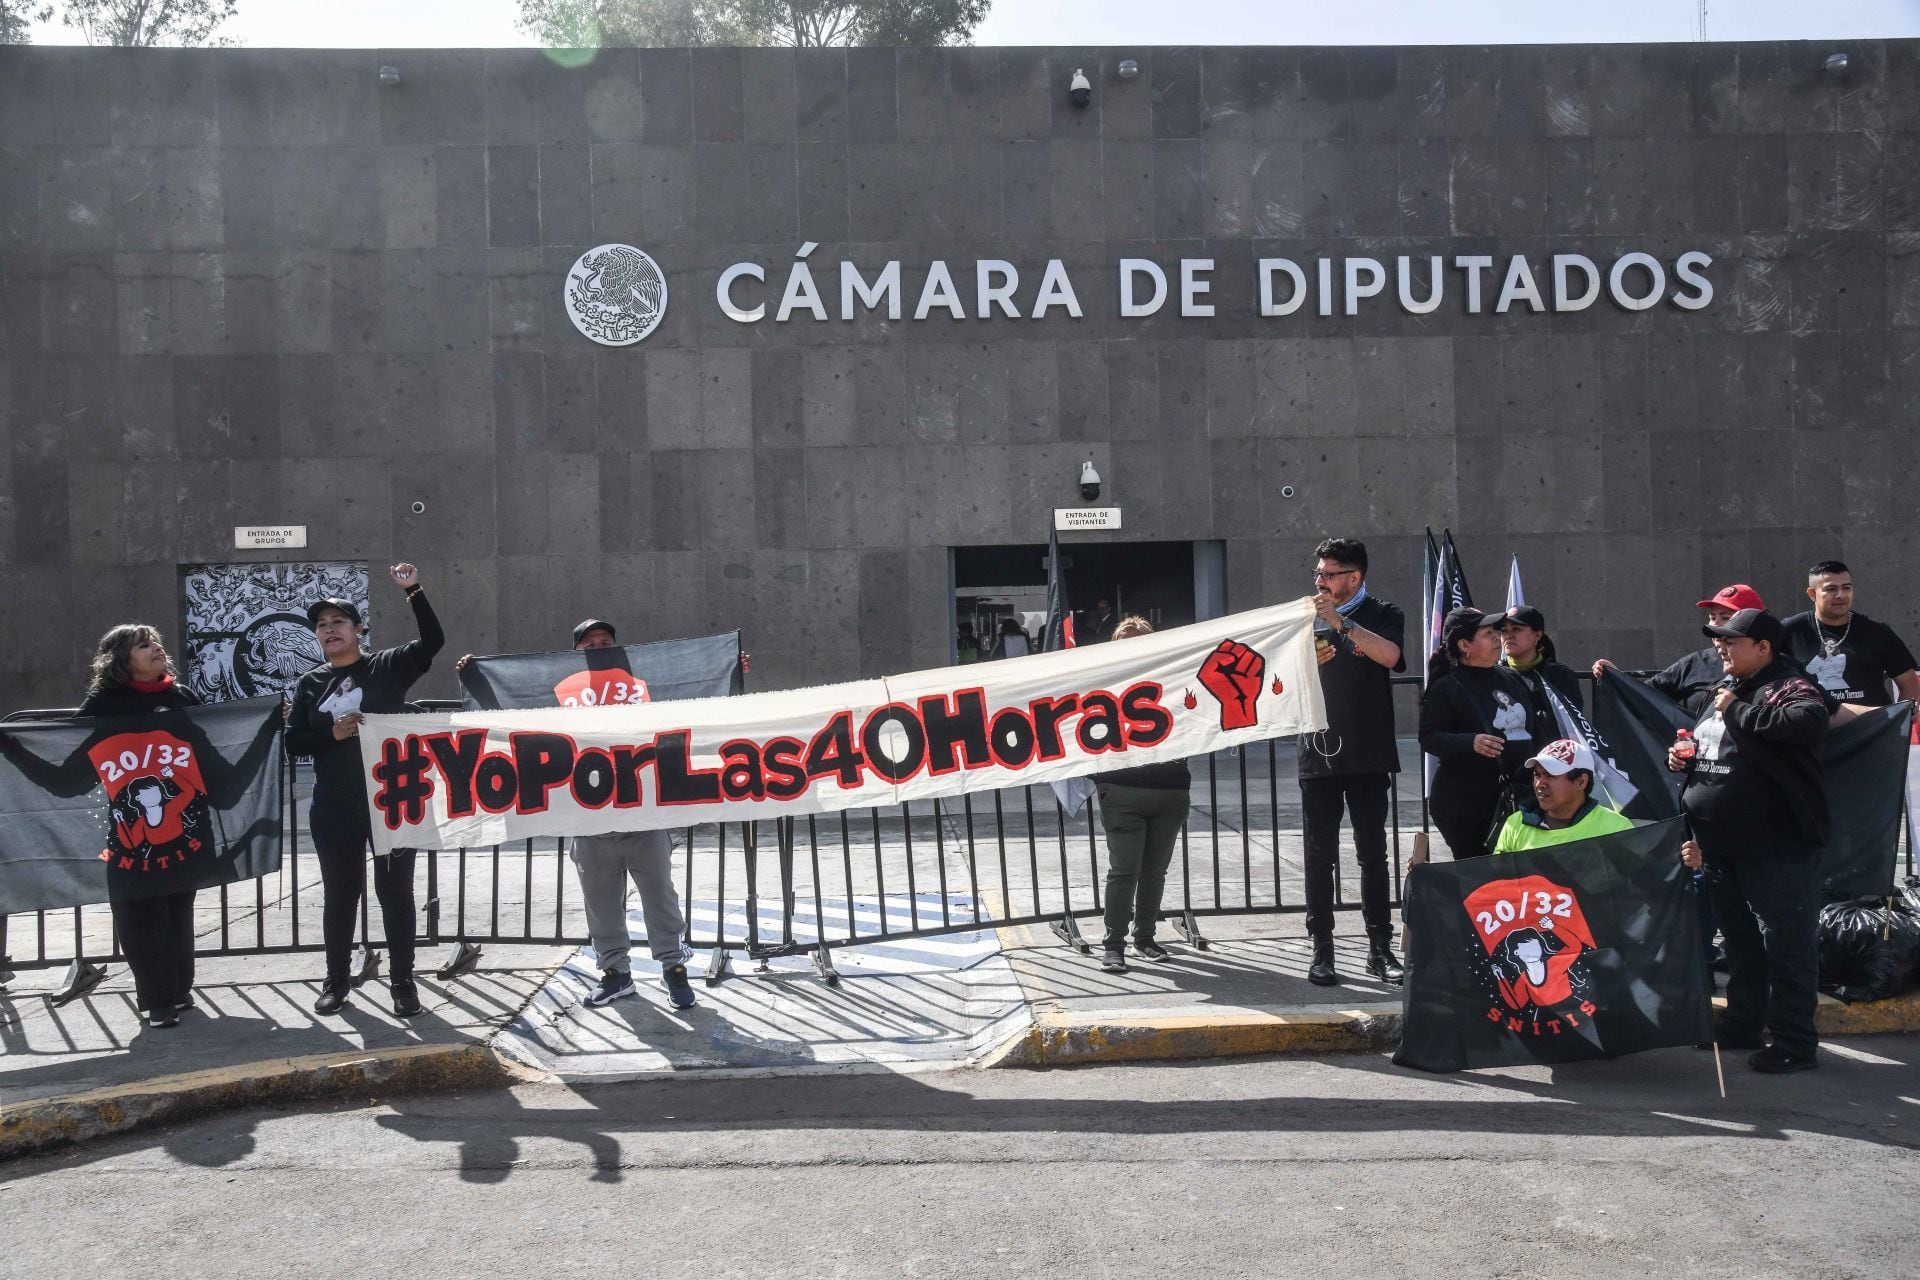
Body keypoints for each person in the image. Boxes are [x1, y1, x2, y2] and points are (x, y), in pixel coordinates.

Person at [1670, 608, 1829, 1074]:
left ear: (1763, 648)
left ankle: (1796, 1043)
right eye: (1719, 639)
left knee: (1787, 945)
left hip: (1777, 847)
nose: (1720, 646)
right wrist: (1682, 759)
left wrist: (1735, 709)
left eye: (1731, 640)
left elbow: (1809, 723)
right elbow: (1712, 748)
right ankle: (1742, 1025)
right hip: (1721, 846)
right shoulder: (1726, 689)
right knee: (1740, 944)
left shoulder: (1789, 685)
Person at [284, 564, 443, 1018]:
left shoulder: (386, 667)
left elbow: (432, 641)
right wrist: (330, 736)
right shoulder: (310, 683)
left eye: (338, 622)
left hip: (392, 802)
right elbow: (293, 741)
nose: (329, 630)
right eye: (321, 625)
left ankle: (403, 983)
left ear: (358, 630)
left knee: (395, 893)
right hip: (334, 807)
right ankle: (336, 983)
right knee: (340, 893)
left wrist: (413, 589)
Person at [558, 618, 696, 1011]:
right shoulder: (561, 691)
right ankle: (616, 974)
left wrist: (729, 668)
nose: (599, 647)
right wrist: (477, 677)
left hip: (641, 815)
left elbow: (698, 695)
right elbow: (510, 708)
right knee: (601, 904)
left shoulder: (641, 686)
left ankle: (674, 970)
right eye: (589, 644)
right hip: (588, 818)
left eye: (606, 641)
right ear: (575, 654)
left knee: (660, 898)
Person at [1298, 537, 1406, 987]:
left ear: (1354, 576)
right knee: (1319, 856)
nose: (1320, 582)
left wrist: (1342, 626)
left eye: (1328, 574)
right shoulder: (1303, 616)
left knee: (1372, 854)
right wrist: (1309, 657)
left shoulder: (1384, 613)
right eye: (1318, 573)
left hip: (1368, 749)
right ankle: (1322, 950)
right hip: (1319, 749)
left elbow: (1392, 657)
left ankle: (1379, 949)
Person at [1093, 616, 1191, 973]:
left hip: (1170, 789)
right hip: (1121, 790)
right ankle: (1113, 944)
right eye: (1123, 641)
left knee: (1155, 872)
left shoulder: (1174, 679)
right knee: (1124, 870)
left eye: (1138, 640)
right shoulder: (1103, 682)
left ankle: (1145, 938)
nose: (1130, 647)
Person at [1419, 607, 1537, 859]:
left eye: (1496, 631)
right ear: (1464, 644)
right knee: (1479, 877)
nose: (1497, 637)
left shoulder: (1512, 678)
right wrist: (1470, 742)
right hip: (1465, 803)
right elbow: (1428, 736)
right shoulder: (1448, 686)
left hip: (1516, 796)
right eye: (1487, 633)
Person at [1594, 583, 1766, 718]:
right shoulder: (1694, 663)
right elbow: (1645, 694)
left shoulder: (1782, 674)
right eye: (1712, 617)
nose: (1715, 625)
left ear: (1763, 648)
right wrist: (1618, 678)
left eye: (1726, 618)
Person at [1781, 560, 1920, 720]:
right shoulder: (1790, 630)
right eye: (1831, 589)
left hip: (1870, 732)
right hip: (1814, 734)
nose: (1841, 595)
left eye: (1846, 588)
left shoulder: (1877, 631)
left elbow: (1908, 682)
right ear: (1812, 594)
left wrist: (1901, 717)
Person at [1492, 739, 1633, 853]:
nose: (1539, 784)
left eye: (1550, 775)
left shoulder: (1617, 828)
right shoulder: (1515, 824)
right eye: (1537, 775)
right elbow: (1499, 884)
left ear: (1581, 782)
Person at [1501, 604, 1583, 716]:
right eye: (1504, 630)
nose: (1508, 635)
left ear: (1537, 635)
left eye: (1516, 629)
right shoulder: (1494, 673)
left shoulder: (1560, 675)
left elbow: (1570, 721)